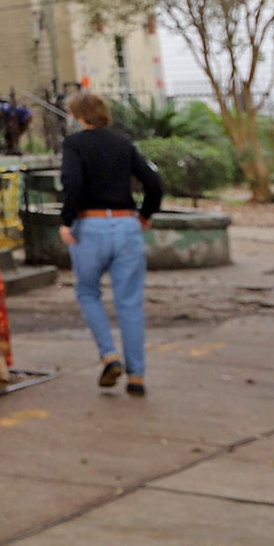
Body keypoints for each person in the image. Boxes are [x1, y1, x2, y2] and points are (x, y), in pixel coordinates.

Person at [60, 90, 162, 397]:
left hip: (90, 225)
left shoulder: (74, 144)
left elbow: (73, 183)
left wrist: (66, 221)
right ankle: (137, 375)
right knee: (129, 301)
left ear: (77, 117)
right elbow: (153, 182)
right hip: (126, 224)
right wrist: (145, 215)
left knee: (88, 292)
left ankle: (109, 355)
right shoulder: (123, 143)